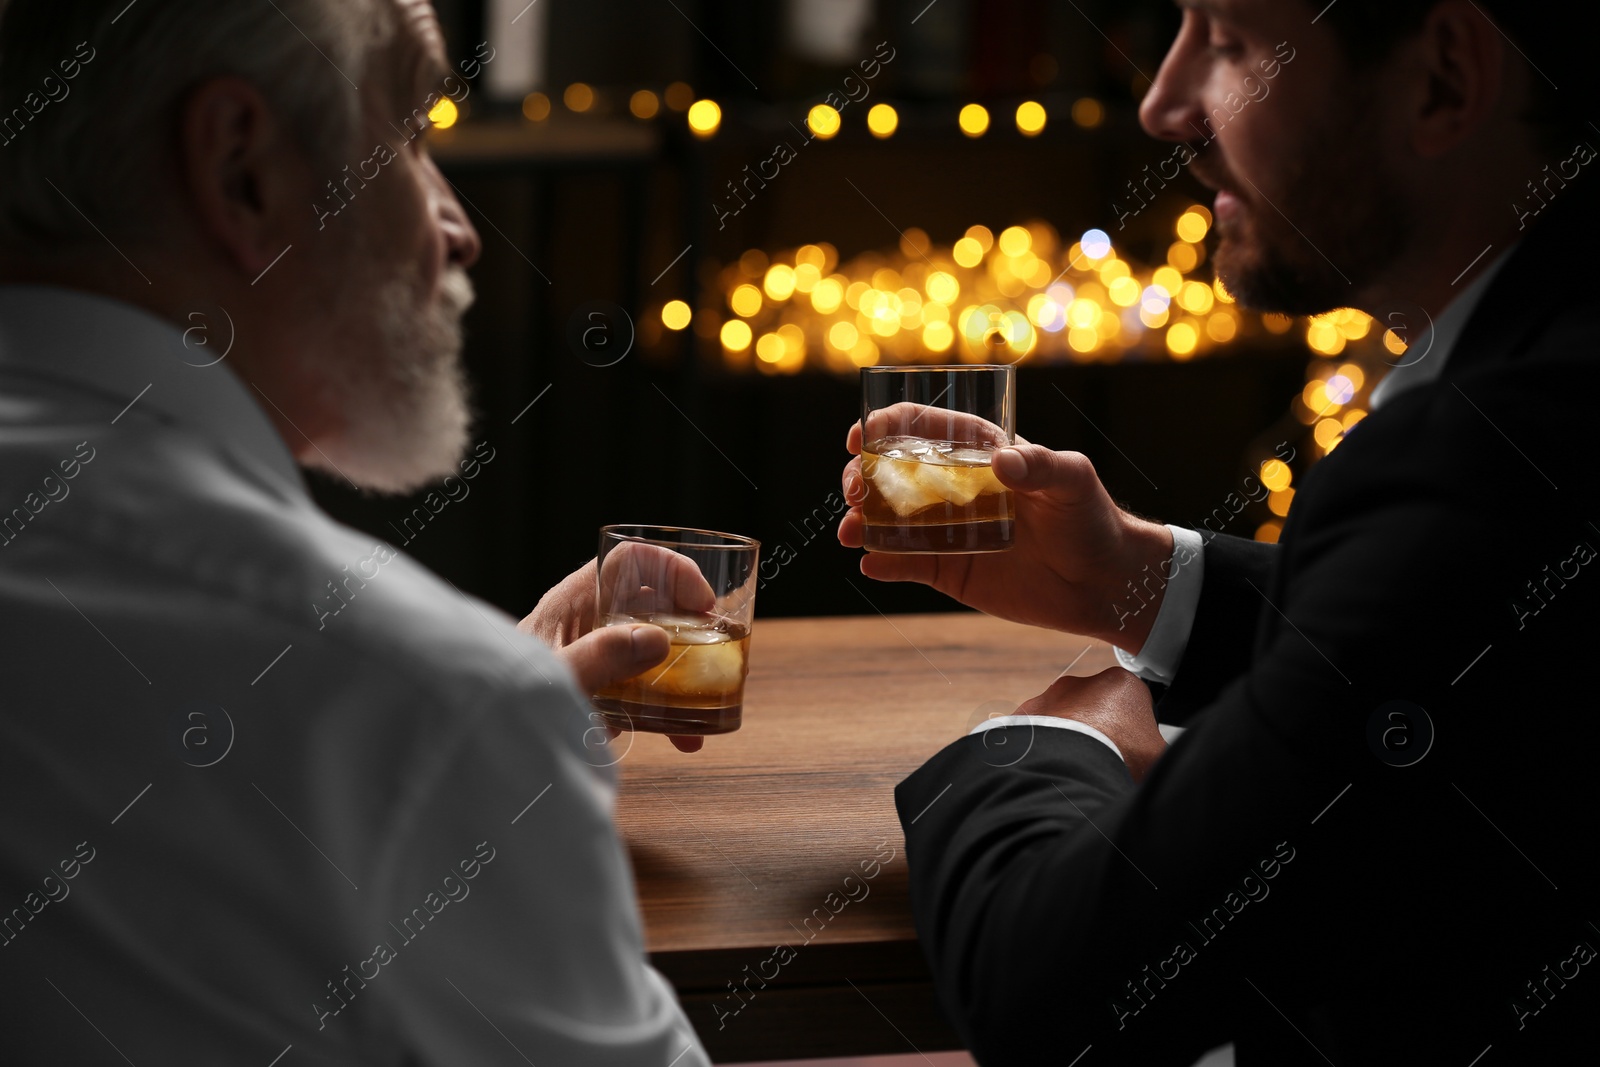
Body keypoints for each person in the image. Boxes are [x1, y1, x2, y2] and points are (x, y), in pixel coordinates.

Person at [841, 1, 1600, 1063]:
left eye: (1232, 41)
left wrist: (1042, 744)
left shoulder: (1488, 456)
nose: (1162, 105)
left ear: (1442, 82)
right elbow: (1464, 660)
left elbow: (1050, 999)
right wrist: (1139, 582)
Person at [0, 1, 709, 1063]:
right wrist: (460, 736)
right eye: (411, 130)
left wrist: (458, 751)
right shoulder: (418, 707)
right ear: (244, 171)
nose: (458, 225)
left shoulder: (415, 708)